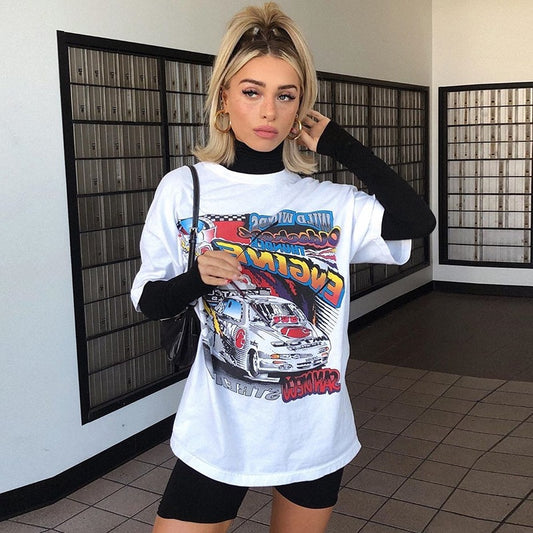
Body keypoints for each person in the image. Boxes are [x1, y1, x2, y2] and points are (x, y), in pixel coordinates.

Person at [131, 3, 436, 532]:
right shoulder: (185, 189)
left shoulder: (332, 202)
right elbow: (149, 300)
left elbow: (417, 221)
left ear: (300, 108)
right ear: (223, 98)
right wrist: (196, 278)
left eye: (286, 95)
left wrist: (340, 144)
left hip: (313, 429)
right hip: (218, 429)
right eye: (252, 92)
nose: (268, 112)